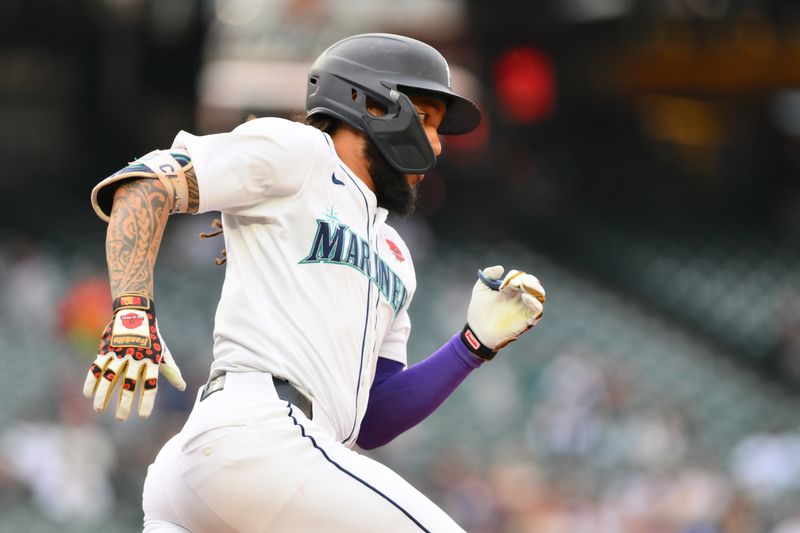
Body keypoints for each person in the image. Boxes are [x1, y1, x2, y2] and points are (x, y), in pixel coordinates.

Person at [82, 33, 546, 532]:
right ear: (368, 104)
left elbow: (373, 420)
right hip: (257, 434)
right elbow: (144, 184)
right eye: (428, 119)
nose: (436, 143)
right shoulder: (301, 150)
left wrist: (470, 347)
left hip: (259, 466)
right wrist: (132, 308)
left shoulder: (396, 255)